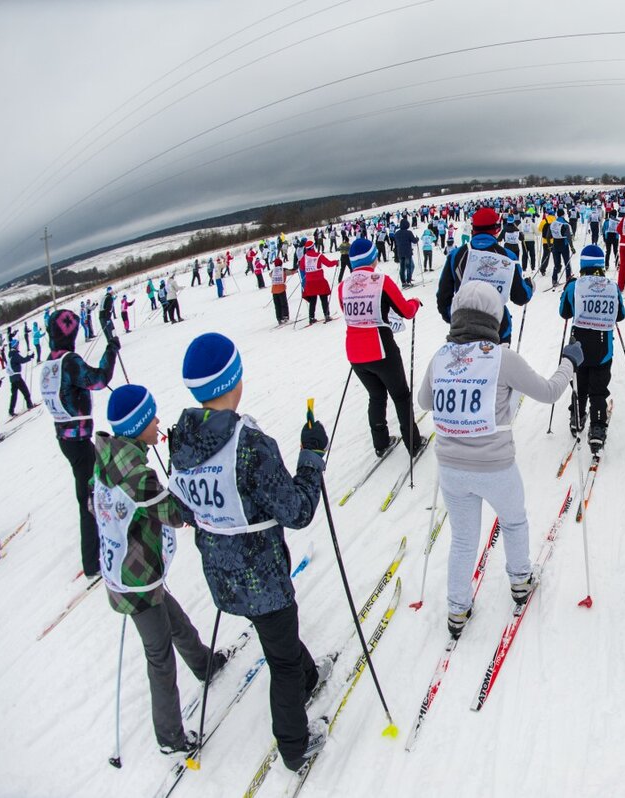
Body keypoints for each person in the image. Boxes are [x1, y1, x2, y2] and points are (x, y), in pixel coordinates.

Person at [167, 332, 332, 772]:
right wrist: (312, 457)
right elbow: (296, 511)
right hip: (264, 578)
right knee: (280, 659)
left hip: (221, 576)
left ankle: (310, 675)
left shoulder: (181, 441)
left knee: (275, 635)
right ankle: (295, 747)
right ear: (235, 380)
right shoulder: (249, 445)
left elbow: (182, 508)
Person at [417, 281, 582, 637]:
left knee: (463, 538)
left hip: (451, 469)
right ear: (494, 316)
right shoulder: (501, 358)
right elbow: (550, 392)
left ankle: (458, 610)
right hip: (495, 467)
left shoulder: (441, 356)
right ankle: (520, 581)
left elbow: (425, 402)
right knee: (513, 522)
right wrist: (568, 362)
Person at [95, 384, 226, 755]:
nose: (157, 422)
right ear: (137, 425)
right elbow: (174, 512)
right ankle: (169, 737)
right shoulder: (136, 473)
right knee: (159, 656)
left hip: (132, 571)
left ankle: (205, 664)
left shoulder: (109, 455)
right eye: (150, 417)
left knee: (176, 622)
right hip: (134, 581)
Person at [41, 309, 120, 576]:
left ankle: (114, 529)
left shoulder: (50, 361)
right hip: (77, 439)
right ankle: (92, 563)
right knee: (89, 498)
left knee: (101, 482)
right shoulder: (68, 361)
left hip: (67, 438)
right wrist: (111, 351)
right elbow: (98, 380)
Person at [339, 238, 426, 458]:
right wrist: (415, 302)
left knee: (376, 396)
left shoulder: (343, 286)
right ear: (373, 258)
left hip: (355, 353)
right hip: (381, 348)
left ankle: (381, 442)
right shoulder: (381, 280)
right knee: (400, 395)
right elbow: (406, 311)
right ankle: (413, 443)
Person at [559, 245, 625, 453]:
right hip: (602, 347)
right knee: (598, 388)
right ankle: (597, 428)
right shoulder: (612, 286)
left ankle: (577, 417)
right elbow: (620, 315)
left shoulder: (574, 286)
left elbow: (564, 312)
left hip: (578, 345)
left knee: (579, 383)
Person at [436, 207, 533, 346]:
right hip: (499, 329)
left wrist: (455, 319)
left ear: (473, 229)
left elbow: (443, 297)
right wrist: (529, 286)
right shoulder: (508, 257)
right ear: (496, 229)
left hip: (463, 330)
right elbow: (520, 296)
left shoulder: (456, 255)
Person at [298, 240, 335, 324]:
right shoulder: (318, 255)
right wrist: (336, 262)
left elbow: (302, 268)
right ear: (313, 247)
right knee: (323, 298)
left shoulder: (304, 257)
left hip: (310, 282)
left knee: (313, 300)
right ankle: (326, 315)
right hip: (320, 281)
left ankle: (311, 317)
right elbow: (328, 263)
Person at [4, 339, 35, 416]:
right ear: (15, 346)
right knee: (25, 390)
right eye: (18, 345)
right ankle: (29, 404)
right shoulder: (14, 354)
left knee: (14, 395)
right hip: (17, 377)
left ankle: (11, 411)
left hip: (12, 378)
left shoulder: (11, 354)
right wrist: (30, 357)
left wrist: (29, 357)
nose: (18, 346)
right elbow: (22, 360)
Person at [548, 211, 575, 287]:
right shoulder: (565, 224)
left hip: (555, 244)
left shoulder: (553, 224)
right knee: (567, 262)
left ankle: (554, 280)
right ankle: (568, 279)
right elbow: (569, 237)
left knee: (556, 263)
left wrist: (549, 246)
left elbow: (548, 236)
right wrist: (572, 247)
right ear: (563, 215)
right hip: (564, 245)